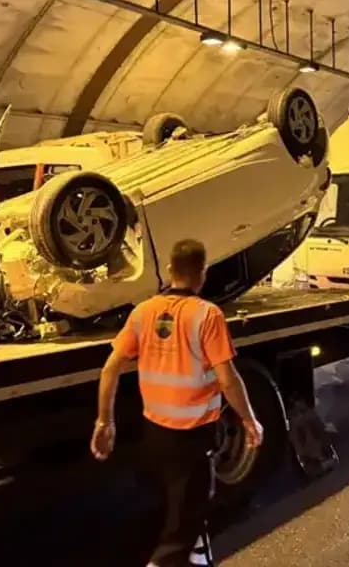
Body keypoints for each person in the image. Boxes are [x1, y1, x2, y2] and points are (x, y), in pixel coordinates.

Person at [90, 239, 264, 567]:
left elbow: (110, 369)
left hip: (154, 435)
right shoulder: (207, 315)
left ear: (169, 270)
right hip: (191, 438)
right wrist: (249, 420)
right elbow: (228, 379)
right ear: (203, 274)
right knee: (181, 528)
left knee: (179, 512)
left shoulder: (144, 312)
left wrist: (104, 421)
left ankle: (194, 556)